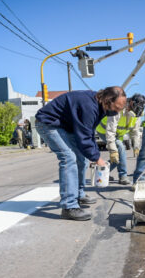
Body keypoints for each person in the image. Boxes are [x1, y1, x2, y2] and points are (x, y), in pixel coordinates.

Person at [35, 86, 127, 221]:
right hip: (48, 123)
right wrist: (97, 158)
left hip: (65, 127)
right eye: (117, 107)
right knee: (68, 158)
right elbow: (84, 137)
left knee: (82, 159)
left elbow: (89, 133)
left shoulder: (100, 106)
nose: (117, 111)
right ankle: (69, 206)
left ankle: (79, 194)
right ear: (108, 100)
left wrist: (94, 154)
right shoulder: (89, 106)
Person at [96, 93, 145, 185]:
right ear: (131, 103)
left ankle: (103, 170)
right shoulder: (118, 109)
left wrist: (136, 146)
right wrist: (112, 150)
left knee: (117, 156)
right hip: (104, 131)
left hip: (117, 134)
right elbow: (110, 131)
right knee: (120, 148)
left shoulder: (137, 114)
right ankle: (123, 176)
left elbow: (135, 132)